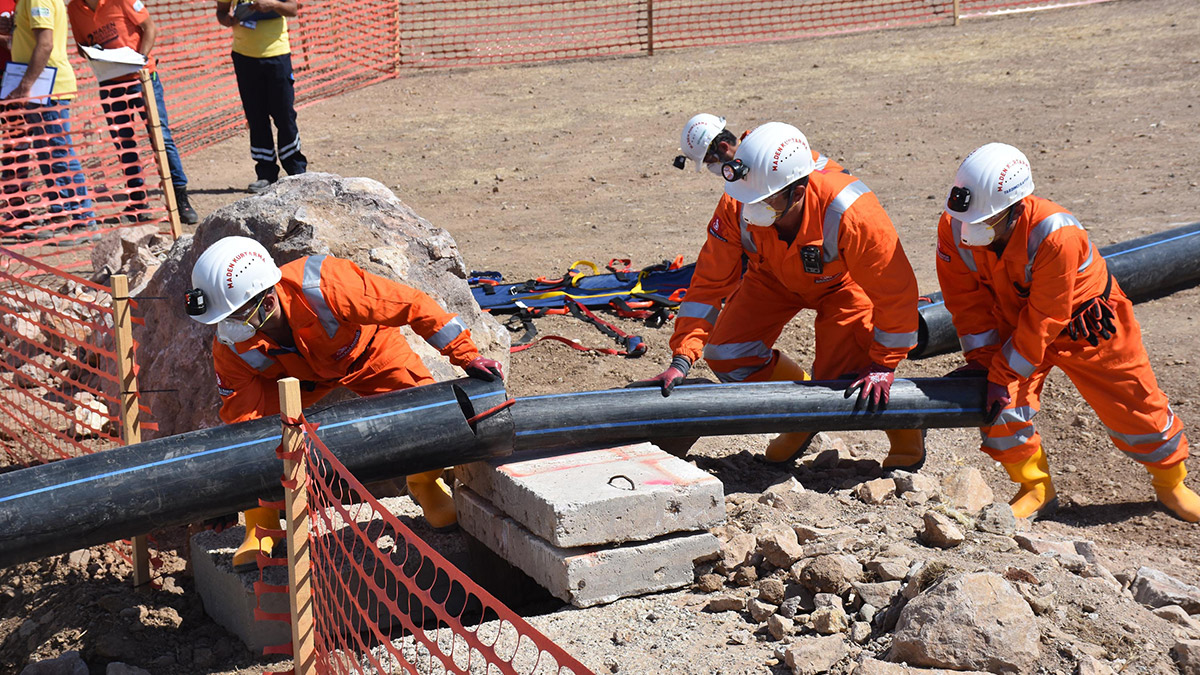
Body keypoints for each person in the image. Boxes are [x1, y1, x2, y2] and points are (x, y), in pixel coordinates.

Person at [186, 236, 505, 570]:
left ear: (266, 302)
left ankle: (424, 483)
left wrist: (467, 356)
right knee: (260, 436)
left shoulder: (326, 284)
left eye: (235, 316)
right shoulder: (231, 347)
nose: (227, 328)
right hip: (297, 381)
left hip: (368, 354)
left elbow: (413, 305)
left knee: (427, 414)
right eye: (223, 318)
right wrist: (232, 490)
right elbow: (242, 422)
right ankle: (261, 525)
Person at [637, 122, 926, 472]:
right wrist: (682, 358)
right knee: (727, 354)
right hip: (772, 277)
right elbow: (709, 282)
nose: (751, 207)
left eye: (764, 200)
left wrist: (883, 364)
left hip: (843, 285)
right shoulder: (738, 200)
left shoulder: (852, 212)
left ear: (799, 191)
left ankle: (908, 435)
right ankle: (801, 415)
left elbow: (896, 291)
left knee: (844, 378)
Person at [936, 142, 1199, 522]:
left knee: (1137, 406)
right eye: (968, 219)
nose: (970, 231)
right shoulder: (954, 226)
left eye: (986, 220)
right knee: (999, 406)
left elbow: (1046, 317)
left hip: (1087, 325)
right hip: (1016, 324)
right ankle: (1035, 489)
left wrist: (1003, 373)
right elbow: (966, 303)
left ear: (1016, 207)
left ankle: (1171, 485)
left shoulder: (1056, 234)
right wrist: (985, 364)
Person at [67, 0, 199, 224]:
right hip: (110, 82)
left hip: (142, 78)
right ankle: (138, 201)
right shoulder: (74, 8)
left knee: (161, 138)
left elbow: (150, 28)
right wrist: (95, 53)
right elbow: (81, 46)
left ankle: (180, 199)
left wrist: (140, 59)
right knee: (123, 142)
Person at [2, 0, 95, 242]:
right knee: (48, 155)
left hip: (47, 88)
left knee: (59, 154)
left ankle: (83, 219)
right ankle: (61, 215)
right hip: (41, 88)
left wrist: (25, 85)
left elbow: (45, 44)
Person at [214, 0, 306, 193]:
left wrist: (272, 5)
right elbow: (221, 12)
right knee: (256, 117)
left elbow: (293, 9)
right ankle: (266, 173)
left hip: (277, 54)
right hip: (244, 56)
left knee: (284, 115)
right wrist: (228, 20)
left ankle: (296, 170)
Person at [674, 113, 846, 177]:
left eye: (710, 160)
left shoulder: (762, 159)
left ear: (724, 147)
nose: (711, 167)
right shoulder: (752, 153)